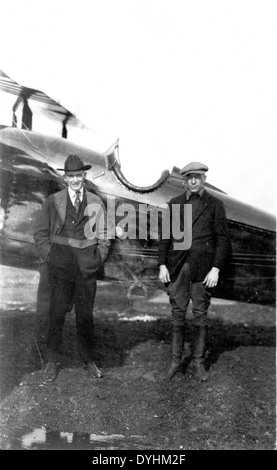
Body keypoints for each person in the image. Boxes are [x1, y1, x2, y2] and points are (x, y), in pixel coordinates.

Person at [34, 154, 110, 382]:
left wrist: (98, 258)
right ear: (65, 178)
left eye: (79, 175)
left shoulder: (95, 201)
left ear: (84, 176)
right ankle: (50, 361)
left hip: (86, 267)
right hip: (59, 267)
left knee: (85, 316)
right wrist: (50, 257)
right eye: (71, 176)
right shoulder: (53, 200)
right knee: (55, 314)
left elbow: (104, 234)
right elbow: (40, 233)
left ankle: (88, 361)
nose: (75, 180)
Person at [158, 162, 229, 381]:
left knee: (200, 316)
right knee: (177, 315)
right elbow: (166, 237)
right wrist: (162, 264)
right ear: (184, 180)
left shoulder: (215, 204)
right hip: (178, 269)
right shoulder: (175, 203)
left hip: (203, 270)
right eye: (190, 178)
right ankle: (175, 362)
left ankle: (198, 363)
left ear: (204, 179)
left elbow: (222, 240)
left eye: (198, 177)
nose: (194, 181)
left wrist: (215, 268)